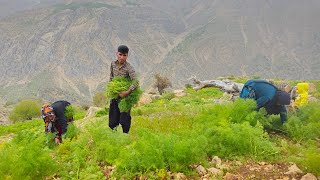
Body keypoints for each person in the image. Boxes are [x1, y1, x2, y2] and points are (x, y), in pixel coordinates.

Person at [108, 45, 138, 133]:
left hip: (125, 98)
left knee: (124, 120)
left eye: (124, 55)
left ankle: (125, 137)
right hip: (115, 95)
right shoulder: (112, 64)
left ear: (127, 56)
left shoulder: (129, 68)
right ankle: (114, 136)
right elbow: (111, 77)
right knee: (113, 120)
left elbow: (136, 82)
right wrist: (111, 88)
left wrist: (127, 92)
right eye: (120, 54)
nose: (122, 57)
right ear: (117, 54)